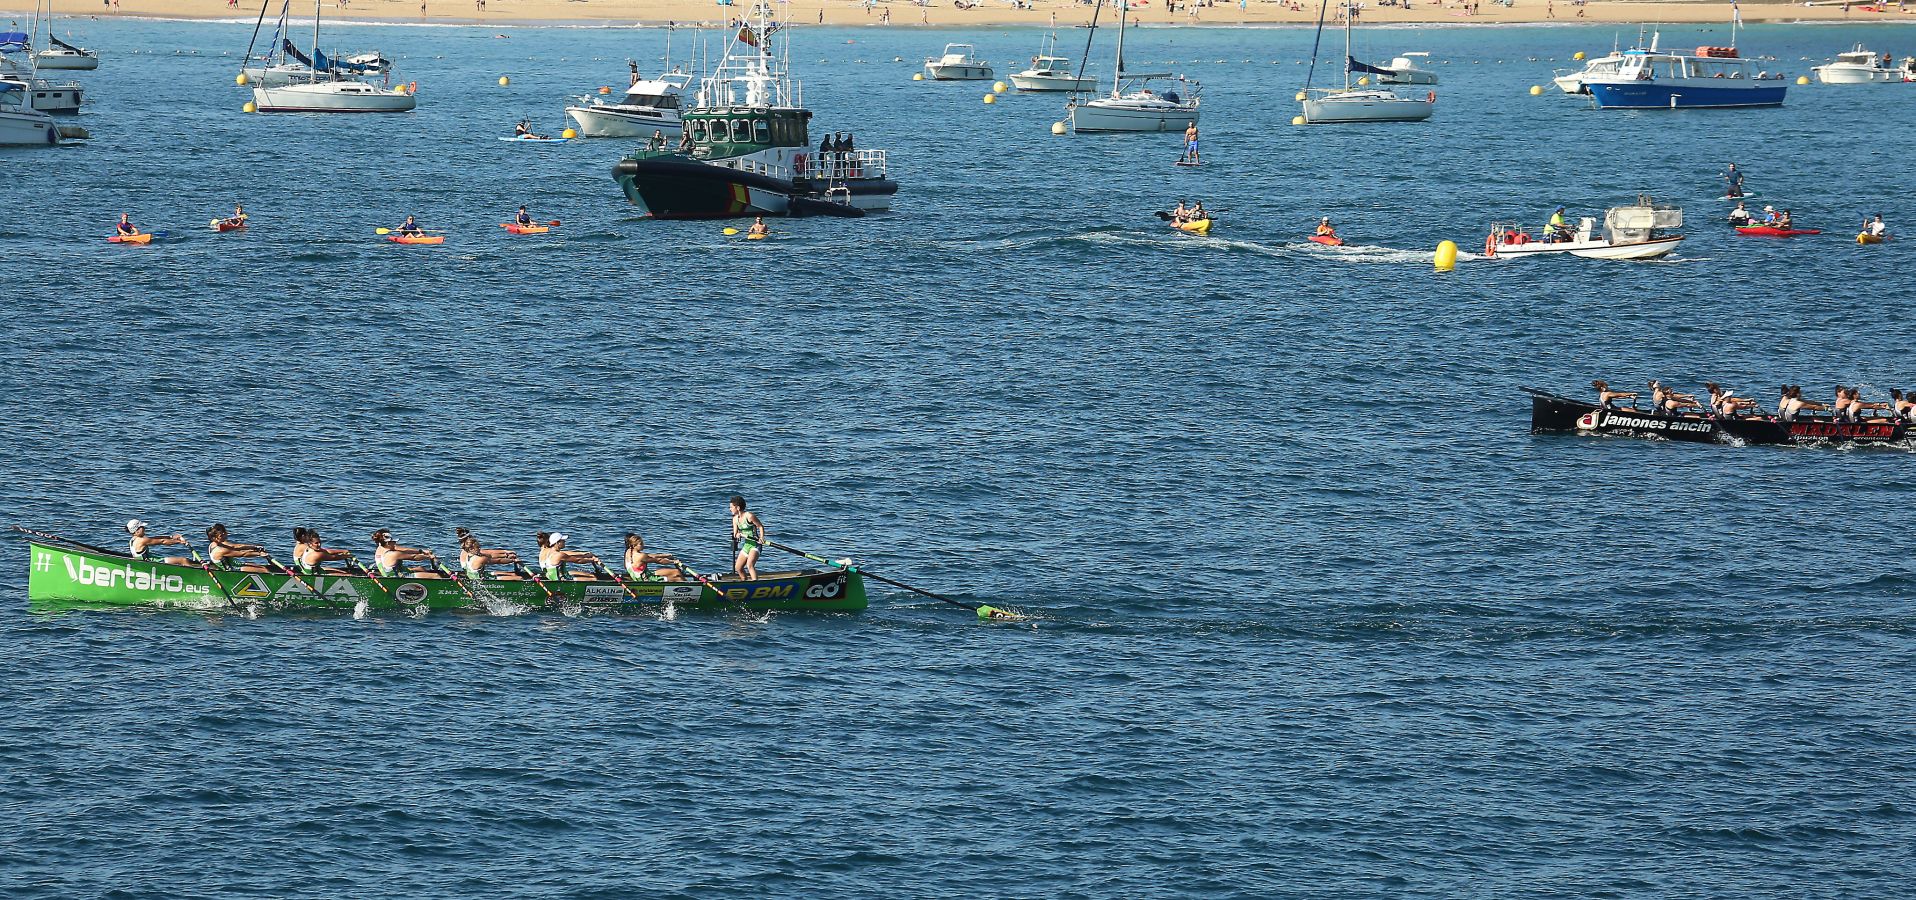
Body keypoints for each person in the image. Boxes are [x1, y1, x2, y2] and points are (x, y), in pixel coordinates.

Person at [370, 529, 440, 578]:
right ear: (388, 543)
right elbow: (414, 557)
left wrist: (421, 551)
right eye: (393, 542)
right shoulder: (394, 554)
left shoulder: (380, 548)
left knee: (420, 568)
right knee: (436, 576)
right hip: (398, 578)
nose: (395, 543)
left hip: (388, 573)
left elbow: (404, 549)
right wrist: (429, 557)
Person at [456, 527, 522, 579]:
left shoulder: (468, 552)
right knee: (520, 578)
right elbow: (497, 560)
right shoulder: (476, 556)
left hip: (475, 576)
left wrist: (506, 553)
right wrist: (512, 560)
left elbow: (490, 553)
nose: (479, 549)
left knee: (512, 574)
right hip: (478, 580)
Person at [535, 532, 602, 581]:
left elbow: (568, 554)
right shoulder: (558, 554)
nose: (565, 542)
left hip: (554, 576)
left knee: (587, 574)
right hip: (561, 580)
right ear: (557, 543)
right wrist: (592, 560)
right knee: (593, 578)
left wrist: (585, 554)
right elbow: (578, 560)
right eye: (563, 541)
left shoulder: (549, 552)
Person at [206, 523, 271, 570]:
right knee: (264, 570)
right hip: (233, 570)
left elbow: (237, 546)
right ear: (221, 535)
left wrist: (255, 547)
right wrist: (259, 554)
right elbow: (243, 554)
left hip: (236, 564)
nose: (227, 533)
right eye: (225, 532)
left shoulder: (213, 544)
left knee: (261, 567)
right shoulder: (221, 550)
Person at [730, 495, 764, 581]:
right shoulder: (734, 519)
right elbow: (735, 534)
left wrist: (761, 537)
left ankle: (755, 585)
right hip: (747, 545)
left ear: (737, 507)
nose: (730, 509)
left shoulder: (749, 516)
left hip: (755, 545)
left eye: (731, 507)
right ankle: (744, 582)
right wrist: (737, 535)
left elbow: (760, 527)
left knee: (749, 565)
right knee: (738, 567)